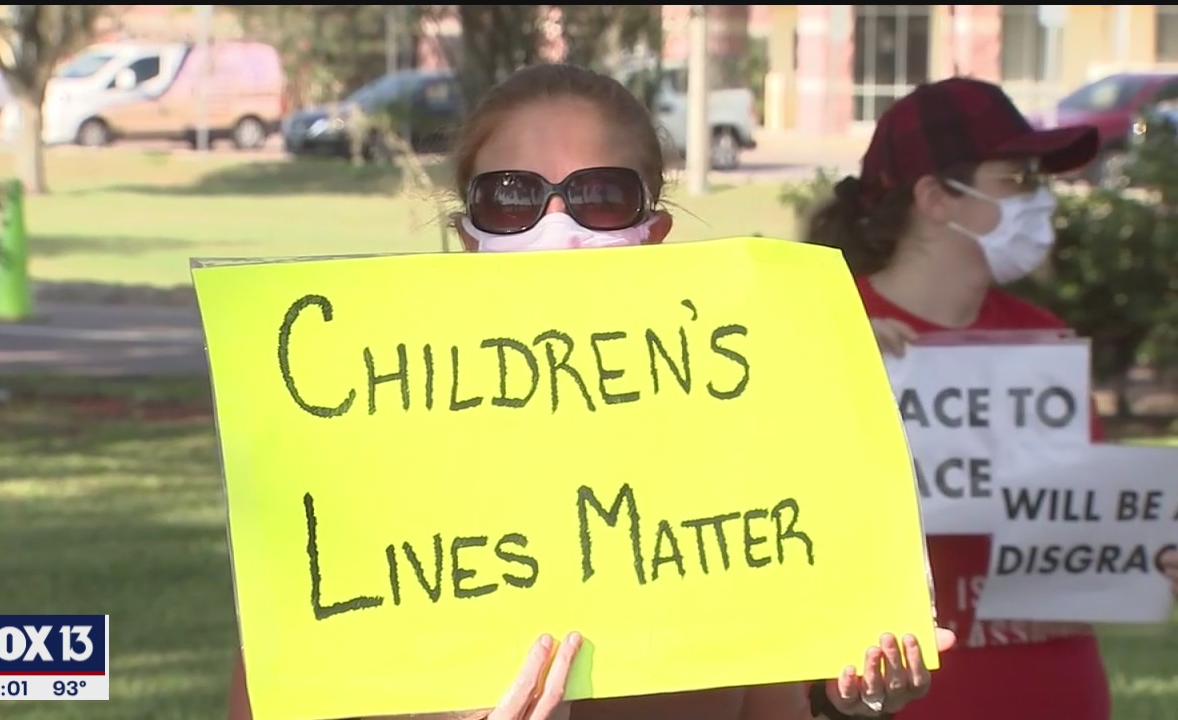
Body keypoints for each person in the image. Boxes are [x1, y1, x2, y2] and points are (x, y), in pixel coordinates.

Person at [229, 63, 957, 720]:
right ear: (470, 234)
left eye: (600, 197)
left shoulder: (738, 452)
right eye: (511, 198)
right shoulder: (355, 460)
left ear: (654, 229)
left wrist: (843, 705)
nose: (557, 226)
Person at [804, 76, 1178, 720]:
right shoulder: (823, 331)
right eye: (1019, 180)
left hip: (1062, 694)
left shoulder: (1040, 338)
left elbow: (1080, 522)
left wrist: (1143, 552)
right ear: (935, 197)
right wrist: (834, 365)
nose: (1043, 202)